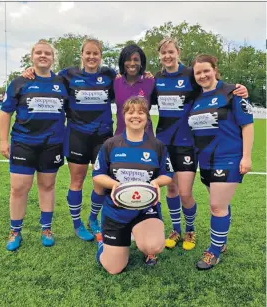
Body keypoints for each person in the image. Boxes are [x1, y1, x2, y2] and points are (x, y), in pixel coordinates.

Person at [152, 38, 249, 251]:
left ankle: (190, 230)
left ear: (178, 52)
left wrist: (238, 89)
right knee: (171, 190)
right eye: (163, 53)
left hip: (187, 144)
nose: (167, 56)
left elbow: (213, 87)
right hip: (164, 144)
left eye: (171, 51)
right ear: (159, 56)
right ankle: (176, 230)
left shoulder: (191, 75)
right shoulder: (156, 79)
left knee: (185, 193)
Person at [23, 38, 116, 242]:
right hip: (77, 135)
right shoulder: (67, 75)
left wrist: (146, 74)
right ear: (81, 54)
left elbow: (129, 84)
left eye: (96, 53)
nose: (92, 57)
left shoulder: (109, 75)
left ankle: (93, 218)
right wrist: (31, 70)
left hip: (103, 136)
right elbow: (46, 78)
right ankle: (77, 224)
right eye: (88, 53)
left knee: (101, 181)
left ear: (101, 56)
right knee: (77, 180)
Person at [0, 39, 69, 251]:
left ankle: (46, 229)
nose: (43, 56)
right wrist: (3, 141)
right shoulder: (20, 81)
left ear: (53, 58)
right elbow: (5, 112)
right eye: (38, 52)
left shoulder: (63, 82)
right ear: (32, 57)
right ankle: (15, 231)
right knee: (19, 188)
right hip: (23, 143)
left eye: (47, 53)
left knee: (47, 186)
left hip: (52, 144)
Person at [93, 97, 173, 274]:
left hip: (145, 209)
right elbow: (98, 175)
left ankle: (145, 245)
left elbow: (168, 175)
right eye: (130, 112)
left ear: (147, 117)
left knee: (153, 246)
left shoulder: (157, 146)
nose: (135, 116)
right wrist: (115, 184)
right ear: (123, 116)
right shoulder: (111, 144)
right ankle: (104, 244)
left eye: (141, 112)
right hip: (115, 210)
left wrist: (156, 182)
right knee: (113, 268)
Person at [188, 54, 253, 270]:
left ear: (215, 69)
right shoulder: (196, 99)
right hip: (205, 161)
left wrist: (246, 156)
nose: (202, 75)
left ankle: (214, 251)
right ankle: (221, 241)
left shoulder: (231, 92)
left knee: (216, 206)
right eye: (198, 72)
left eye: (206, 70)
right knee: (221, 205)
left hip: (229, 158)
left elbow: (247, 125)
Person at [114, 44, 155, 136]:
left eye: (136, 60)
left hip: (146, 139)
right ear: (123, 62)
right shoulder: (116, 82)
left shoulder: (150, 81)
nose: (132, 63)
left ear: (141, 62)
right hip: (121, 139)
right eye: (128, 59)